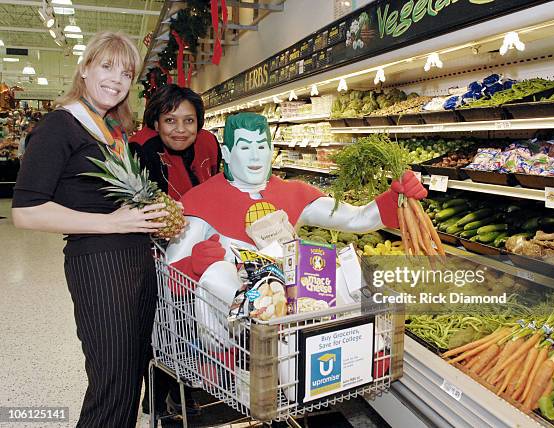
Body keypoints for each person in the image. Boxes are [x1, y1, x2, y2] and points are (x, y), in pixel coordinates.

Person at [12, 32, 168, 427]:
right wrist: (111, 222)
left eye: (127, 73)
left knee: (133, 373)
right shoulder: (60, 125)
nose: (117, 79)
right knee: (111, 384)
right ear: (84, 68)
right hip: (99, 265)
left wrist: (149, 214)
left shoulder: (111, 129)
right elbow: (26, 212)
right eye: (107, 66)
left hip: (133, 259)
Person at [165, 112, 426, 306]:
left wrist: (396, 199)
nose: (255, 157)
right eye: (245, 147)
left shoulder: (293, 193)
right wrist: (193, 266)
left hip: (294, 309)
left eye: (261, 146)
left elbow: (355, 219)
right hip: (232, 332)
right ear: (227, 151)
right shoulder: (200, 201)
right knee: (217, 273)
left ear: (271, 150)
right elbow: (170, 269)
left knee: (343, 271)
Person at [130, 83, 220, 417]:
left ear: (199, 122)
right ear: (156, 122)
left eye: (189, 121)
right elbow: (143, 208)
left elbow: (219, 185)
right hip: (158, 255)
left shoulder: (209, 143)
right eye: (170, 120)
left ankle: (183, 387)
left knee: (194, 325)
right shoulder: (141, 150)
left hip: (205, 251)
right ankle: (157, 394)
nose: (180, 130)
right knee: (163, 327)